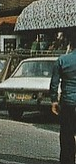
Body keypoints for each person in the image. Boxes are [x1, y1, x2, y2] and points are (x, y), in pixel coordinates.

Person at [50, 35, 76, 164]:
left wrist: (54, 100)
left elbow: (54, 83)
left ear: (70, 45)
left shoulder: (62, 60)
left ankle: (68, 160)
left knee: (67, 133)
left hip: (68, 103)